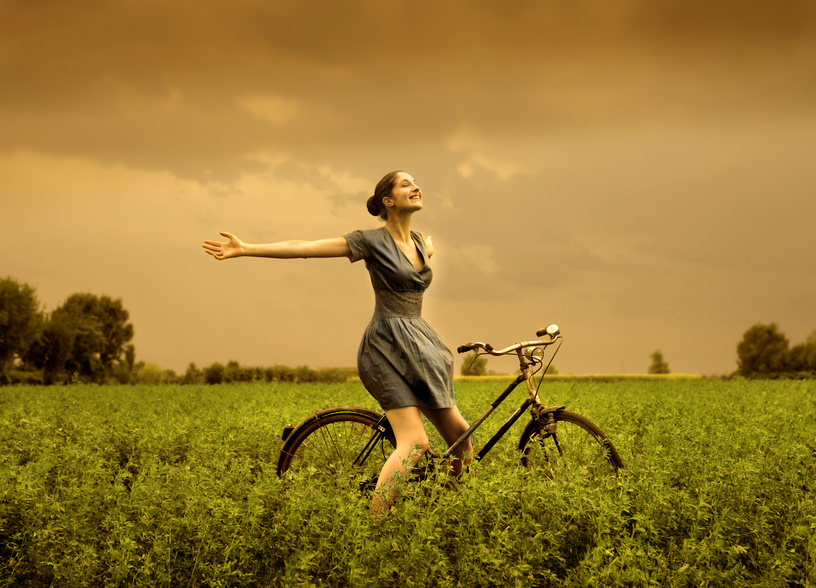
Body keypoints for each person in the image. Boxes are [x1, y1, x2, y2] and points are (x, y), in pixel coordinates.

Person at [202, 170, 472, 514]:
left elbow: (416, 269)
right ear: (388, 201)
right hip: (386, 346)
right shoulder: (371, 241)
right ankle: (374, 530)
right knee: (415, 443)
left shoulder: (420, 240)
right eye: (406, 184)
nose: (416, 186)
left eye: (417, 181)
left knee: (461, 438)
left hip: (422, 345)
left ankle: (443, 510)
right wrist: (246, 248)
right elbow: (306, 248)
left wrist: (428, 250)